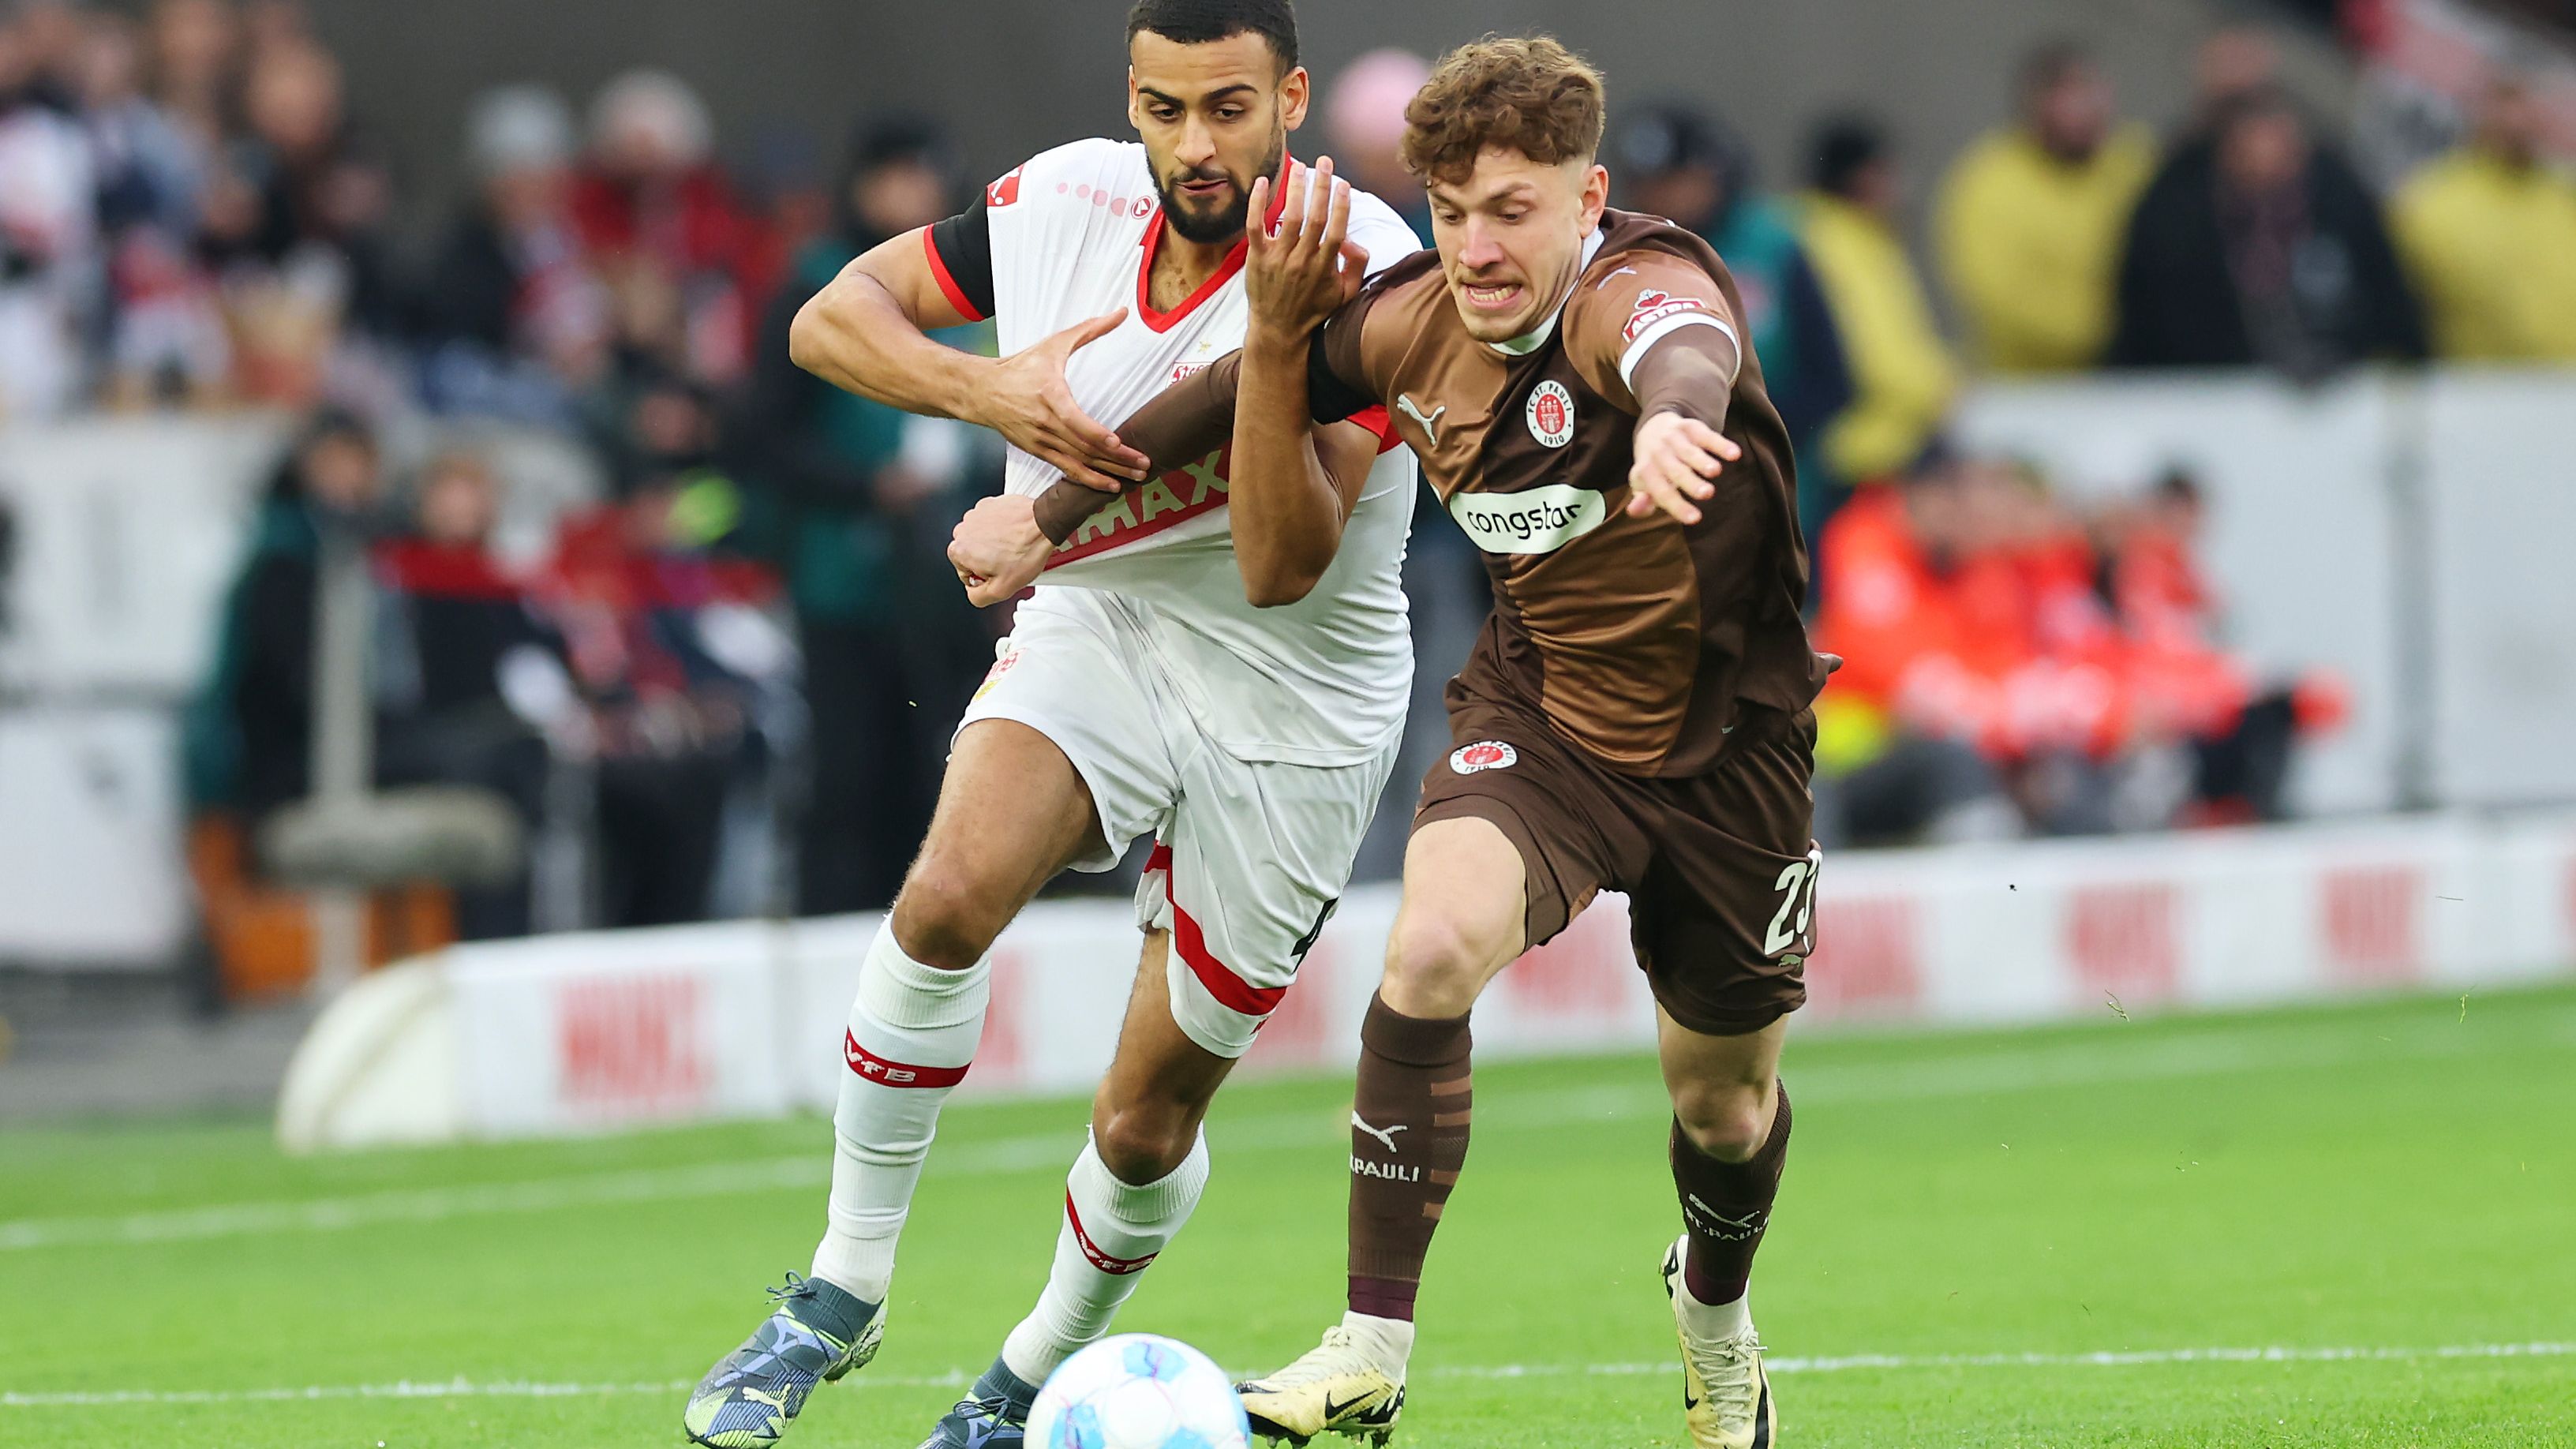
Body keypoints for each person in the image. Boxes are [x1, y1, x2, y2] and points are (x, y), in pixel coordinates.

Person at [956, 34, 1829, 1449]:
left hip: (1731, 756)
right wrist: (1043, 520)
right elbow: (1239, 388)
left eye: (1512, 209)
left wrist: (1674, 422)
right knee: (1426, 949)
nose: (1476, 245)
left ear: (1585, 195)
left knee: (1723, 1111)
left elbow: (1685, 346)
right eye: (1448, 209)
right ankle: (1368, 1345)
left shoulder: (1636, 290)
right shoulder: (1411, 318)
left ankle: (1714, 1318)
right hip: (1541, 723)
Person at [680, 2, 1423, 1446]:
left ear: (1292, 100)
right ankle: (838, 1291)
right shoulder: (1062, 196)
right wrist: (984, 387)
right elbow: (829, 319)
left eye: (1226, 108)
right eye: (1163, 108)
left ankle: (1018, 1380)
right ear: (1128, 99)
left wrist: (1272, 351)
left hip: (1295, 698)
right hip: (1104, 624)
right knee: (947, 896)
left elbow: (1284, 564)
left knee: (1142, 1124)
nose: (1193, 145)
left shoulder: (1371, 272)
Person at [1612, 102, 1852, 561]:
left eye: (1671, 181)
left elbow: (1831, 379)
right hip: (1661, 497)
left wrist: (1751, 439)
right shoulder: (1624, 256)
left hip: (1778, 489)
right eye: (1644, 185)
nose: (1656, 198)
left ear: (1707, 172)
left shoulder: (1773, 245)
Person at [2108, 86, 2424, 378]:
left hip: (2331, 391)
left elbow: (2387, 297)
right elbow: (2152, 319)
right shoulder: (2176, 218)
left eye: (2284, 153)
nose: (2269, 172)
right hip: (2212, 392)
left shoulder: (2341, 201)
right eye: (2251, 156)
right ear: (2226, 155)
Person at [1934, 41, 2155, 373]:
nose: (2085, 107)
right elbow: (2000, 297)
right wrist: (2112, 331)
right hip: (2026, 390)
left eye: (2092, 91)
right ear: (2034, 102)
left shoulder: (2135, 163)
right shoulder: (1989, 181)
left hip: (2134, 382)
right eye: (2069, 94)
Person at [1795, 114, 1959, 489]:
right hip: (1868, 451)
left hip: (1863, 444)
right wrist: (1942, 388)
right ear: (1865, 175)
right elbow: (1877, 352)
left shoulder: (1844, 235)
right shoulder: (1836, 244)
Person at [2391, 70, 2576, 362]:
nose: (2517, 121)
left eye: (2527, 106)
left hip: (2563, 388)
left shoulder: (2561, 196)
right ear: (2476, 113)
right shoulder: (2431, 204)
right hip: (2482, 391)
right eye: (2504, 106)